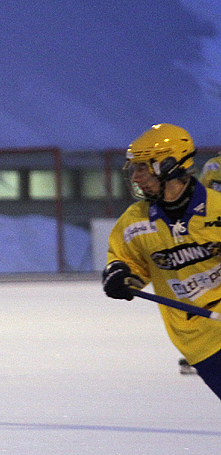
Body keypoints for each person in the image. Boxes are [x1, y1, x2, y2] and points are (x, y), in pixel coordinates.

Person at [102, 123, 221, 399]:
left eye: (142, 168)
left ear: (168, 164)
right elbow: (126, 262)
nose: (136, 177)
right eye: (134, 169)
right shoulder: (135, 221)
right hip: (200, 341)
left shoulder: (217, 209)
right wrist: (119, 276)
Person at [175, 153, 221, 376]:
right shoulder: (214, 165)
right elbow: (198, 198)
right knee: (206, 296)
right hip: (211, 236)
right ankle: (205, 350)